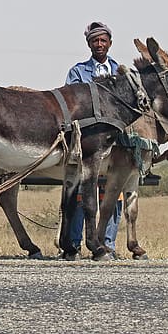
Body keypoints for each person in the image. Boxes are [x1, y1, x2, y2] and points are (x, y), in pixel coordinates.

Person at [63, 21, 123, 258]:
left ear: (109, 43)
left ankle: (108, 243)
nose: (99, 44)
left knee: (112, 194)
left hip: (115, 143)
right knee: (82, 194)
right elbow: (71, 103)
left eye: (103, 40)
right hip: (87, 141)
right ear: (89, 44)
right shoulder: (77, 72)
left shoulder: (120, 71)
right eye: (95, 41)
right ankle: (75, 243)